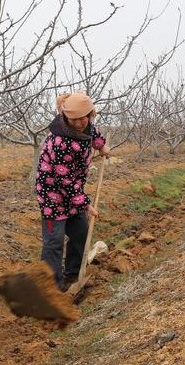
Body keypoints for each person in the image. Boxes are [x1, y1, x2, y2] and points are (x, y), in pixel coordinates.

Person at [34, 92, 110, 292]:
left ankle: (72, 275)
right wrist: (86, 204)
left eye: (84, 117)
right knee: (54, 241)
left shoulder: (87, 127)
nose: (80, 123)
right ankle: (52, 287)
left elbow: (95, 135)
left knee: (81, 232)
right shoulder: (60, 141)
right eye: (75, 119)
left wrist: (102, 147)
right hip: (52, 194)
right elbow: (64, 181)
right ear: (66, 117)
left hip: (72, 192)